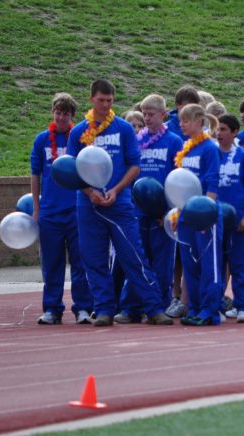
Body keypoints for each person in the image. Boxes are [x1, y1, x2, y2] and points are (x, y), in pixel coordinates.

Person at [67, 79, 172, 326]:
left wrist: (116, 189)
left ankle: (154, 308)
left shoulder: (124, 129)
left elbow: (135, 165)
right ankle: (104, 309)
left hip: (120, 203)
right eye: (101, 100)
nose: (105, 105)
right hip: (88, 205)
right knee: (94, 259)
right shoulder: (78, 132)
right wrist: (89, 191)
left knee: (134, 255)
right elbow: (70, 169)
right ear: (91, 99)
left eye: (110, 101)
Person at [114, 94, 184, 323]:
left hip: (163, 214)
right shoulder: (137, 140)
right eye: (144, 113)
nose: (147, 118)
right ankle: (131, 308)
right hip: (137, 210)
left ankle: (159, 307)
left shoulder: (174, 142)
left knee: (162, 263)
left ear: (163, 115)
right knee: (136, 261)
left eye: (151, 114)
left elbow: (178, 178)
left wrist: (168, 209)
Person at [30, 92, 93, 325]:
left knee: (80, 262)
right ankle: (52, 308)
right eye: (58, 112)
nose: (61, 117)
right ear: (52, 113)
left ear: (72, 115)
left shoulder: (80, 138)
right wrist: (36, 208)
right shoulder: (41, 140)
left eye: (66, 113)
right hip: (50, 211)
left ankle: (83, 308)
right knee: (52, 264)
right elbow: (35, 174)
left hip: (76, 209)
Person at [174, 103, 223, 325]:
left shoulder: (210, 148)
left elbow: (213, 181)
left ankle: (209, 310)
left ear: (198, 121)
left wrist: (207, 214)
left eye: (185, 120)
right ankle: (193, 308)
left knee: (208, 265)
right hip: (185, 215)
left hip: (203, 214)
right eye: (180, 120)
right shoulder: (186, 148)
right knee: (190, 264)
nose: (181, 124)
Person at [216, 114, 244, 323]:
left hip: (238, 219)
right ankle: (217, 306)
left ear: (234, 132)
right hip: (215, 219)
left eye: (223, 129)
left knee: (240, 264)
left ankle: (243, 307)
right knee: (216, 265)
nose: (219, 133)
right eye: (217, 129)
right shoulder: (211, 154)